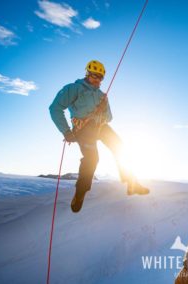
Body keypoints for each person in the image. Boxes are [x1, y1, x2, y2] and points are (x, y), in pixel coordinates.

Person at [49, 60, 149, 213]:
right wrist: (66, 131)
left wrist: (102, 110)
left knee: (119, 147)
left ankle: (132, 183)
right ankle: (80, 193)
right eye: (94, 76)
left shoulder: (102, 96)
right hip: (84, 129)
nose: (97, 80)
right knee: (92, 159)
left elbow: (109, 117)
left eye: (100, 77)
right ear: (87, 74)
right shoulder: (74, 89)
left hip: (101, 126)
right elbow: (55, 108)